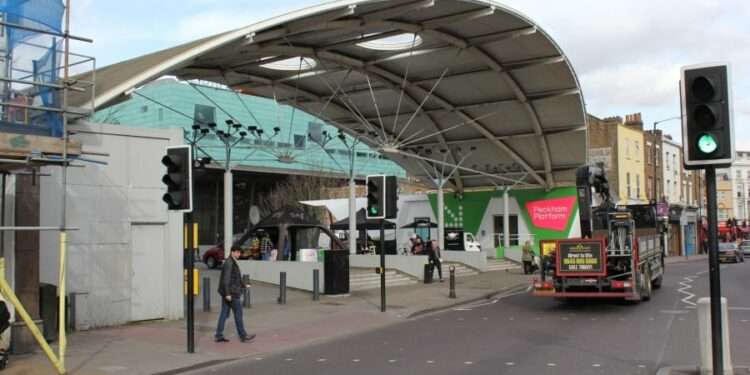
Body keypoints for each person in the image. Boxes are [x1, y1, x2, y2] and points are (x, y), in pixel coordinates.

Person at [215, 246, 255, 343]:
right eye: (237, 252)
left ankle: (218, 335)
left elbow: (235, 278)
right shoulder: (229, 263)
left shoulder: (231, 262)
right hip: (232, 293)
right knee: (238, 314)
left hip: (228, 292)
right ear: (232, 252)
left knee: (224, 314)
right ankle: (243, 335)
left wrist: (244, 285)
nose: (239, 254)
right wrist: (228, 293)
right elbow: (226, 279)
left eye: (239, 253)